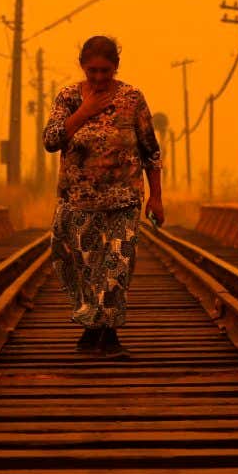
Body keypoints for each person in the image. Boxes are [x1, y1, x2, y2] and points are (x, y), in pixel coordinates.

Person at [42, 35, 164, 358]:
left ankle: (108, 335)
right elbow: (51, 140)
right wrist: (84, 111)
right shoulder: (68, 98)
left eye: (105, 71)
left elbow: (151, 151)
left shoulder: (132, 99)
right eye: (92, 70)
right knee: (82, 268)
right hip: (77, 201)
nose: (98, 77)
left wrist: (156, 198)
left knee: (116, 266)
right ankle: (91, 330)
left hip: (123, 201)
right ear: (82, 66)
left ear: (116, 68)